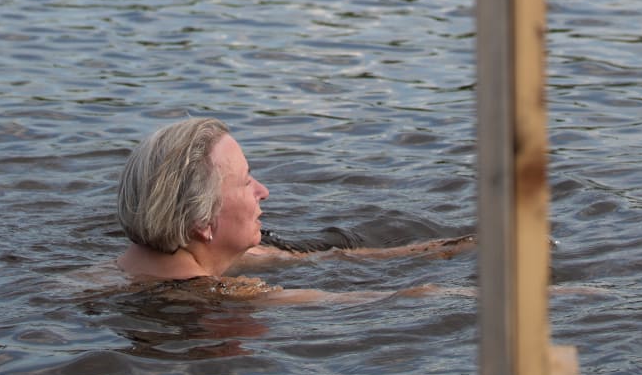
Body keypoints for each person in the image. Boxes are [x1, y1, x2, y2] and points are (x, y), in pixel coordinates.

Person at [114, 116, 471, 297]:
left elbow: (329, 257)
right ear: (202, 221)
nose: (263, 191)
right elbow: (372, 301)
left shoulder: (148, 260)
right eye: (246, 181)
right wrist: (462, 293)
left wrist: (447, 249)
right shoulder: (210, 296)